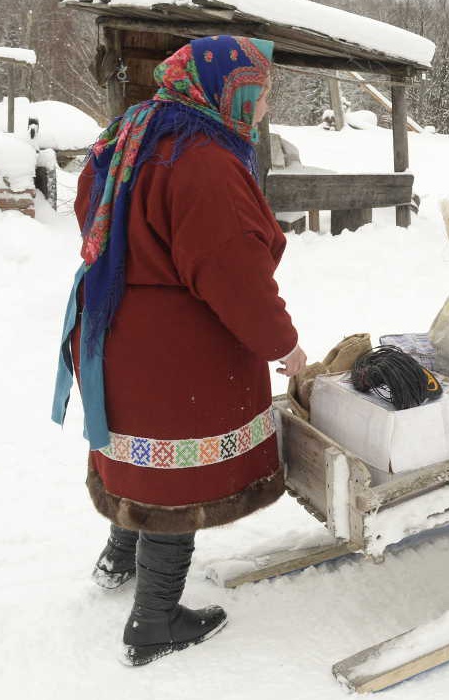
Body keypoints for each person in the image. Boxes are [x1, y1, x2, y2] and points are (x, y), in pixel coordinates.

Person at [51, 35, 307, 666]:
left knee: (135, 452)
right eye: (256, 91)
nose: (261, 105)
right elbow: (231, 270)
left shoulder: (132, 129)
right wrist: (285, 343)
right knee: (176, 473)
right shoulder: (201, 158)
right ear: (227, 90)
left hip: (113, 328)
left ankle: (119, 559)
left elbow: (90, 210)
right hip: (174, 350)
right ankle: (155, 620)